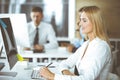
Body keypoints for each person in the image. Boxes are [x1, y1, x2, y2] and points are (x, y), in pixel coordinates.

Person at [39, 6, 112, 80]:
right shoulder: (86, 44)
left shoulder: (101, 47)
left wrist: (52, 76)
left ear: (95, 22)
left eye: (84, 20)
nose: (80, 24)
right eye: (80, 20)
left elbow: (87, 78)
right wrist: (68, 75)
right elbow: (65, 63)